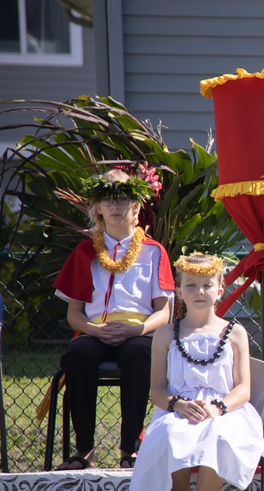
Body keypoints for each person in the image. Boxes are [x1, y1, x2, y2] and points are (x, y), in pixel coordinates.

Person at [120, 253, 264, 491]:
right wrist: (177, 405)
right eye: (191, 285)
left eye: (206, 285)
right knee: (173, 433)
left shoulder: (235, 332)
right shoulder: (165, 334)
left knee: (217, 436)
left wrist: (218, 408)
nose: (199, 292)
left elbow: (243, 389)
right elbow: (157, 391)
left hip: (227, 411)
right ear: (179, 290)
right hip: (178, 408)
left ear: (219, 290)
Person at [53, 168, 175, 470]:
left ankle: (129, 449)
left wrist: (140, 328)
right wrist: (94, 329)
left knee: (139, 353)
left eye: (124, 200)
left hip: (137, 332)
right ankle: (84, 451)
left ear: (136, 207)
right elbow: (74, 314)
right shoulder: (84, 253)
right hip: (95, 332)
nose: (117, 206)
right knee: (79, 354)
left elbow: (165, 311)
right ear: (98, 209)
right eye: (108, 200)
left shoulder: (154, 252)